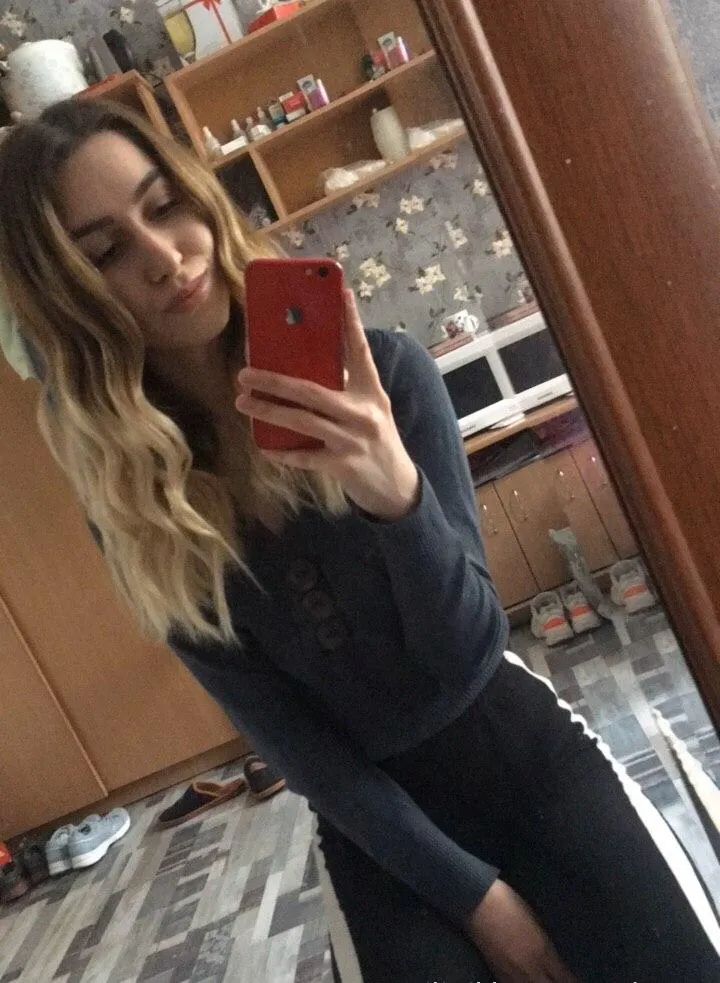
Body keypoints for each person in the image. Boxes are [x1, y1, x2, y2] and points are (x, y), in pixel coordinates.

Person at [0, 99, 717, 983]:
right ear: (66, 299)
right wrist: (479, 901)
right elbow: (296, 748)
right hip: (379, 826)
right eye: (105, 251)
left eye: (164, 205)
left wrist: (393, 492)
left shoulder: (389, 379)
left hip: (522, 751)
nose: (165, 255)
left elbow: (466, 654)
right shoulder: (137, 510)